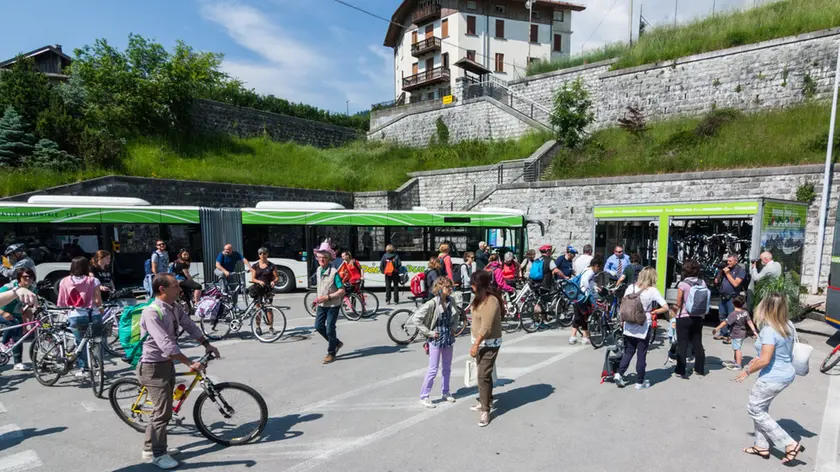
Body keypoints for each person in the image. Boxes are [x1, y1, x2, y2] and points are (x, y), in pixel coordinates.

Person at [138, 273, 220, 469]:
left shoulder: (174, 307)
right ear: (162, 289)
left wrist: (206, 344)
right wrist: (189, 362)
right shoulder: (151, 312)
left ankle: (150, 447)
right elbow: (166, 345)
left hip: (166, 364)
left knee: (164, 409)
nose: (180, 289)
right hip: (152, 367)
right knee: (162, 412)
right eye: (175, 286)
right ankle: (157, 454)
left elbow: (189, 325)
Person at [735, 293, 804, 465]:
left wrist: (747, 371)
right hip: (786, 373)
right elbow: (780, 352)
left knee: (755, 409)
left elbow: (766, 359)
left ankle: (789, 443)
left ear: (765, 307)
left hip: (772, 377)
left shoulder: (769, 330)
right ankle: (761, 446)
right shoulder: (788, 325)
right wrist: (758, 359)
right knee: (761, 408)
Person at [613, 267, 669, 390]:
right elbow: (666, 307)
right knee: (641, 354)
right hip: (643, 324)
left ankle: (619, 373)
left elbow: (623, 303)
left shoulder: (631, 287)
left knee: (628, 351)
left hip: (628, 323)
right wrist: (654, 312)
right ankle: (639, 382)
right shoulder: (652, 291)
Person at [410, 277, 460, 408]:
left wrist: (454, 327)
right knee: (433, 369)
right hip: (435, 338)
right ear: (440, 289)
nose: (451, 289)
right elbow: (416, 319)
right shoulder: (432, 303)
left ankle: (446, 391)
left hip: (448, 337)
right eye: (448, 287)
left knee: (447, 368)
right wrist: (429, 333)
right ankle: (424, 396)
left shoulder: (451, 300)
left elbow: (456, 316)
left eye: (451, 287)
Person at [57, 257, 103, 377]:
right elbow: (98, 301)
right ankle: (99, 368)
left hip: (76, 315)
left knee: (80, 343)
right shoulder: (94, 280)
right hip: (94, 314)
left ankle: (85, 369)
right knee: (97, 342)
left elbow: (61, 301)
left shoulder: (64, 281)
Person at [469, 270, 503, 427]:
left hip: (489, 343)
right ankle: (486, 400)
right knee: (485, 375)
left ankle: (485, 410)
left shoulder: (491, 301)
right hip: (479, 342)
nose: (471, 286)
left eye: (473, 283)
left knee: (482, 375)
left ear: (479, 285)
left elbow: (486, 326)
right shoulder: (478, 298)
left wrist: (476, 344)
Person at [672, 259, 707, 379]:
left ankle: (680, 370)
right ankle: (700, 369)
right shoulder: (702, 283)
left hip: (684, 317)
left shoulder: (683, 284)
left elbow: (679, 302)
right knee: (698, 343)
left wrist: (673, 313)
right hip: (698, 317)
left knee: (683, 344)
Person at [0, 268, 37, 372]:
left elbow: (28, 309)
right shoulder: (9, 287)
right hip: (2, 312)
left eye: (31, 277)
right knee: (14, 323)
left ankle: (18, 362)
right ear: (19, 278)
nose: (28, 279)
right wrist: (3, 313)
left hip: (16, 314)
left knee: (19, 337)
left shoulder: (32, 288)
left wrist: (28, 323)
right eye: (25, 277)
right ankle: (3, 344)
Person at [313, 250, 345, 364]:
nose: (321, 260)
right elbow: (320, 288)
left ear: (329, 259)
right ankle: (336, 342)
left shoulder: (334, 273)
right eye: (319, 257)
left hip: (332, 304)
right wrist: (317, 300)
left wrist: (328, 297)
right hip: (321, 304)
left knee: (330, 328)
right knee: (318, 326)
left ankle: (331, 352)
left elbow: (342, 290)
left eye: (324, 257)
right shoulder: (318, 270)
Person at [713, 295, 758, 371]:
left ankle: (739, 365)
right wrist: (754, 331)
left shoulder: (733, 314)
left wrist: (717, 328)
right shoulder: (745, 312)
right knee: (736, 347)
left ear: (733, 304)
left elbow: (725, 323)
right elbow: (749, 322)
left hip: (736, 333)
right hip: (742, 333)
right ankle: (735, 360)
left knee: (737, 349)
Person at [569, 256, 602, 345]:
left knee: (578, 316)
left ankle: (574, 336)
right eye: (599, 267)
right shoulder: (591, 272)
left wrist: (594, 287)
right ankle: (584, 337)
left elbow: (588, 281)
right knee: (585, 316)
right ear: (596, 265)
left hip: (577, 296)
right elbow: (585, 281)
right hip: (584, 297)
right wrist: (588, 291)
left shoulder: (586, 269)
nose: (598, 270)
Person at [714, 254, 747, 342]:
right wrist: (720, 272)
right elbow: (716, 281)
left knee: (732, 317)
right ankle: (723, 334)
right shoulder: (724, 269)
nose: (728, 263)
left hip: (732, 297)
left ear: (736, 261)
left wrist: (728, 273)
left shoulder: (740, 270)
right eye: (727, 261)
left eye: (730, 261)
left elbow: (736, 283)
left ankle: (732, 336)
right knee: (722, 316)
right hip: (722, 296)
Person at [250, 247, 278, 336]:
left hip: (268, 289)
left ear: (267, 254)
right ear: (258, 255)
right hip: (258, 288)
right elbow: (253, 278)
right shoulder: (255, 265)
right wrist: (259, 281)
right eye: (260, 254)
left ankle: (271, 327)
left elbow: (277, 277)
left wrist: (274, 281)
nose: (263, 255)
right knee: (258, 309)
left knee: (269, 308)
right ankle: (258, 327)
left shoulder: (272, 266)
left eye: (264, 253)